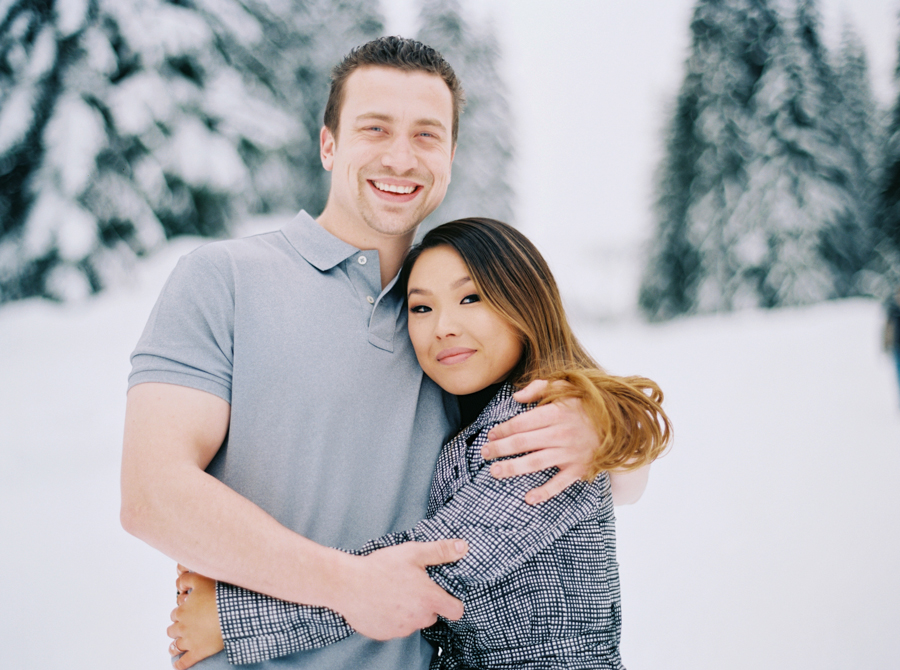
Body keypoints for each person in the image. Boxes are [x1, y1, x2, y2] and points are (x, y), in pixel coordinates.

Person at [121, 37, 642, 670]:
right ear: (328, 145)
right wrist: (342, 587)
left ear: (450, 155)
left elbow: (587, 483)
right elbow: (153, 493)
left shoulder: (464, 323)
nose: (401, 156)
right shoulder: (224, 278)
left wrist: (604, 428)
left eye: (427, 135)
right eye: (375, 128)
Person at [165, 218, 671, 669]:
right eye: (422, 307)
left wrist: (230, 617)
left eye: (470, 298)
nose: (443, 328)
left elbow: (435, 566)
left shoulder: (541, 424)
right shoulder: (480, 413)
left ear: (525, 301)